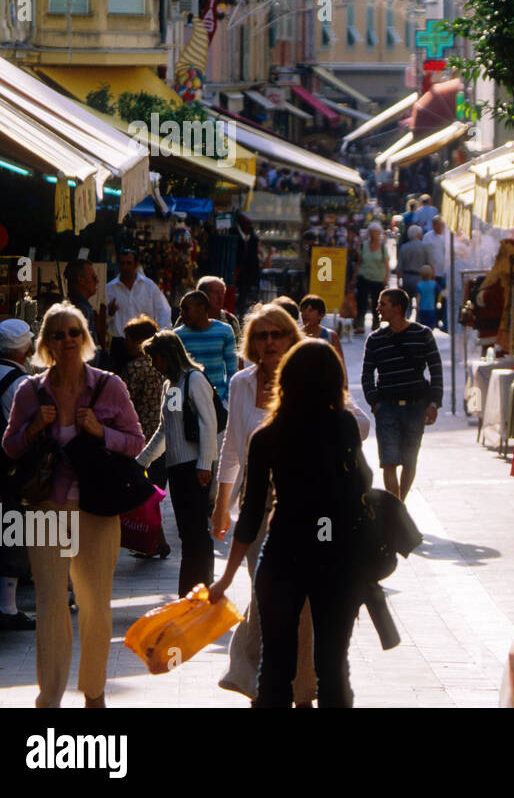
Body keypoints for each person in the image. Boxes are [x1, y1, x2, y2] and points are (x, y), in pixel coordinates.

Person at [213, 305, 370, 704]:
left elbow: (250, 515)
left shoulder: (267, 436)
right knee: (334, 665)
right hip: (335, 556)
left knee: (275, 664)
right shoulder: (343, 426)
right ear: (333, 380)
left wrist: (226, 578)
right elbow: (361, 486)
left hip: (282, 552)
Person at [2, 303, 145, 708]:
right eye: (58, 334)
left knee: (96, 605)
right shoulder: (30, 390)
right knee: (50, 603)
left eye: (74, 333)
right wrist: (33, 429)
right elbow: (10, 448)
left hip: (97, 508)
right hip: (47, 508)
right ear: (45, 342)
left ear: (85, 339)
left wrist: (100, 431)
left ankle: (94, 692)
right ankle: (48, 697)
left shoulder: (109, 385)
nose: (67, 340)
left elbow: (135, 441)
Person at [136, 331, 219, 596]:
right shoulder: (171, 385)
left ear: (167, 356)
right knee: (188, 534)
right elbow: (166, 428)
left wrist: (205, 463)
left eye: (155, 358)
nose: (153, 365)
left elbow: (209, 423)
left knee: (196, 535)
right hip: (178, 468)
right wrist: (142, 461)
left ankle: (199, 591)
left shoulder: (194, 380)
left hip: (195, 468)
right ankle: (192, 593)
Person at [0, 319, 36, 629]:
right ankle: (7, 607)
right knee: (11, 529)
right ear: (26, 348)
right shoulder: (21, 384)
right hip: (6, 468)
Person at [361, 287, 441, 501]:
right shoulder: (375, 339)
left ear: (397, 308)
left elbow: (436, 370)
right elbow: (367, 374)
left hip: (416, 406)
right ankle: (394, 508)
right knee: (388, 461)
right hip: (386, 407)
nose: (378, 308)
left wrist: (434, 403)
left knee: (409, 460)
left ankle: (400, 504)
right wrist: (374, 403)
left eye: (383, 304)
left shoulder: (423, 334)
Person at [119, 315, 171, 558]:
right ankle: (156, 541)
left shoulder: (135, 368)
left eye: (128, 340)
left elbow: (123, 403)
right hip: (164, 439)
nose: (125, 345)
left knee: (145, 491)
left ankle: (155, 541)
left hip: (141, 441)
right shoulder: (166, 368)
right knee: (155, 491)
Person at [106, 249, 172, 371]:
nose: (125, 267)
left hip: (146, 343)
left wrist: (160, 336)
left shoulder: (149, 286)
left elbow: (164, 311)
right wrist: (109, 314)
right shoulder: (109, 289)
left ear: (136, 265)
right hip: (121, 345)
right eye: (122, 263)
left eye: (128, 263)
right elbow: (102, 320)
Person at [174, 290, 237, 402]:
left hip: (218, 401)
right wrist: (174, 409)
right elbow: (173, 375)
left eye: (186, 309)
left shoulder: (225, 331)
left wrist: (227, 401)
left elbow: (232, 370)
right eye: (181, 309)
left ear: (201, 308)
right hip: (187, 404)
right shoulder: (177, 335)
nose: (181, 314)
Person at [64, 260, 107, 364]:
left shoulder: (79, 307)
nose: (97, 281)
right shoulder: (80, 311)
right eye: (94, 277)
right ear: (81, 279)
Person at [352, 222, 390, 333]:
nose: (374, 235)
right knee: (361, 301)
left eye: (377, 233)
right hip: (364, 276)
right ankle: (360, 324)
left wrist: (386, 277)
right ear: (369, 233)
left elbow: (387, 264)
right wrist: (354, 277)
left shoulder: (383, 247)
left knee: (376, 302)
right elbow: (359, 262)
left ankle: (376, 323)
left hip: (378, 278)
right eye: (372, 232)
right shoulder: (363, 246)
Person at [299, 294, 347, 380]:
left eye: (311, 310)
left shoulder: (330, 336)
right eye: (303, 310)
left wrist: (344, 386)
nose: (306, 314)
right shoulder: (296, 335)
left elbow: (340, 365)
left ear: (321, 315)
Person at [422, 216, 449, 332]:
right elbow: (425, 255)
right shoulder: (428, 237)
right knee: (433, 297)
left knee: (444, 296)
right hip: (433, 273)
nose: (438, 227)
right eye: (435, 225)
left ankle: (442, 317)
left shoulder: (448, 236)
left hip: (446, 272)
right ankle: (435, 319)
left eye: (439, 225)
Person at [234, 214, 262, 314]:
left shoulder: (254, 238)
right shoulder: (235, 235)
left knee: (244, 294)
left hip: (248, 272)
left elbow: (256, 256)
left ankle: (241, 312)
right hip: (237, 269)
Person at [397, 224, 429, 294]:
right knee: (419, 300)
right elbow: (428, 264)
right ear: (418, 234)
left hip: (406, 277)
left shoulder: (404, 247)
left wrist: (398, 282)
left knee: (407, 301)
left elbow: (399, 266)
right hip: (420, 277)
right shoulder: (424, 247)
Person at [415, 264, 440, 330]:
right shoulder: (434, 284)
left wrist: (417, 305)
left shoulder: (419, 285)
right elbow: (439, 294)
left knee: (422, 326)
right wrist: (438, 302)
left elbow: (418, 296)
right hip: (431, 308)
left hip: (422, 309)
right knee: (430, 326)